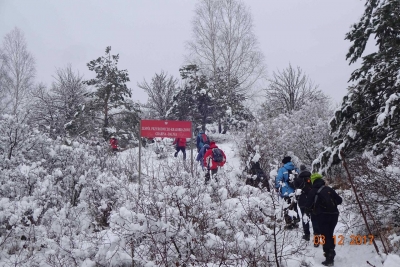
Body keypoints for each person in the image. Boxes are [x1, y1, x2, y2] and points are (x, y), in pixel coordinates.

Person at [305, 173, 342, 266]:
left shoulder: (313, 191)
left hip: (322, 215)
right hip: (334, 215)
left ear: (313, 181)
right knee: (330, 233)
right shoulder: (329, 189)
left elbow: (308, 205)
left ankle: (329, 256)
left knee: (325, 235)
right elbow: (339, 200)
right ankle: (331, 250)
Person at [294, 164, 320, 244]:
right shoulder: (312, 178)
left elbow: (295, 189)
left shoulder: (297, 180)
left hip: (302, 202)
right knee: (314, 218)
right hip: (312, 201)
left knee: (305, 217)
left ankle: (307, 235)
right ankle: (316, 237)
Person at [275, 156, 300, 228]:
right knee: (294, 206)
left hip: (286, 191)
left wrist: (276, 187)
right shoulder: (295, 168)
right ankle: (296, 221)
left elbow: (278, 179)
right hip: (295, 191)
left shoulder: (282, 169)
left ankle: (289, 223)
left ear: (284, 162)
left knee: (286, 206)